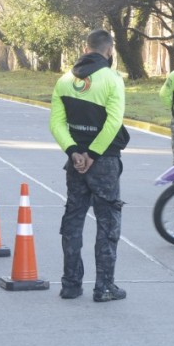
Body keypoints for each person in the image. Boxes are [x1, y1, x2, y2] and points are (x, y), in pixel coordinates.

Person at [50, 29, 129, 302]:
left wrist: (74, 152)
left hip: (75, 162)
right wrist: (94, 154)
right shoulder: (112, 79)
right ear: (110, 50)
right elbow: (113, 122)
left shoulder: (64, 80)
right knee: (107, 224)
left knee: (73, 220)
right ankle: (104, 287)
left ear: (86, 48)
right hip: (104, 161)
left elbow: (56, 124)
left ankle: (70, 284)